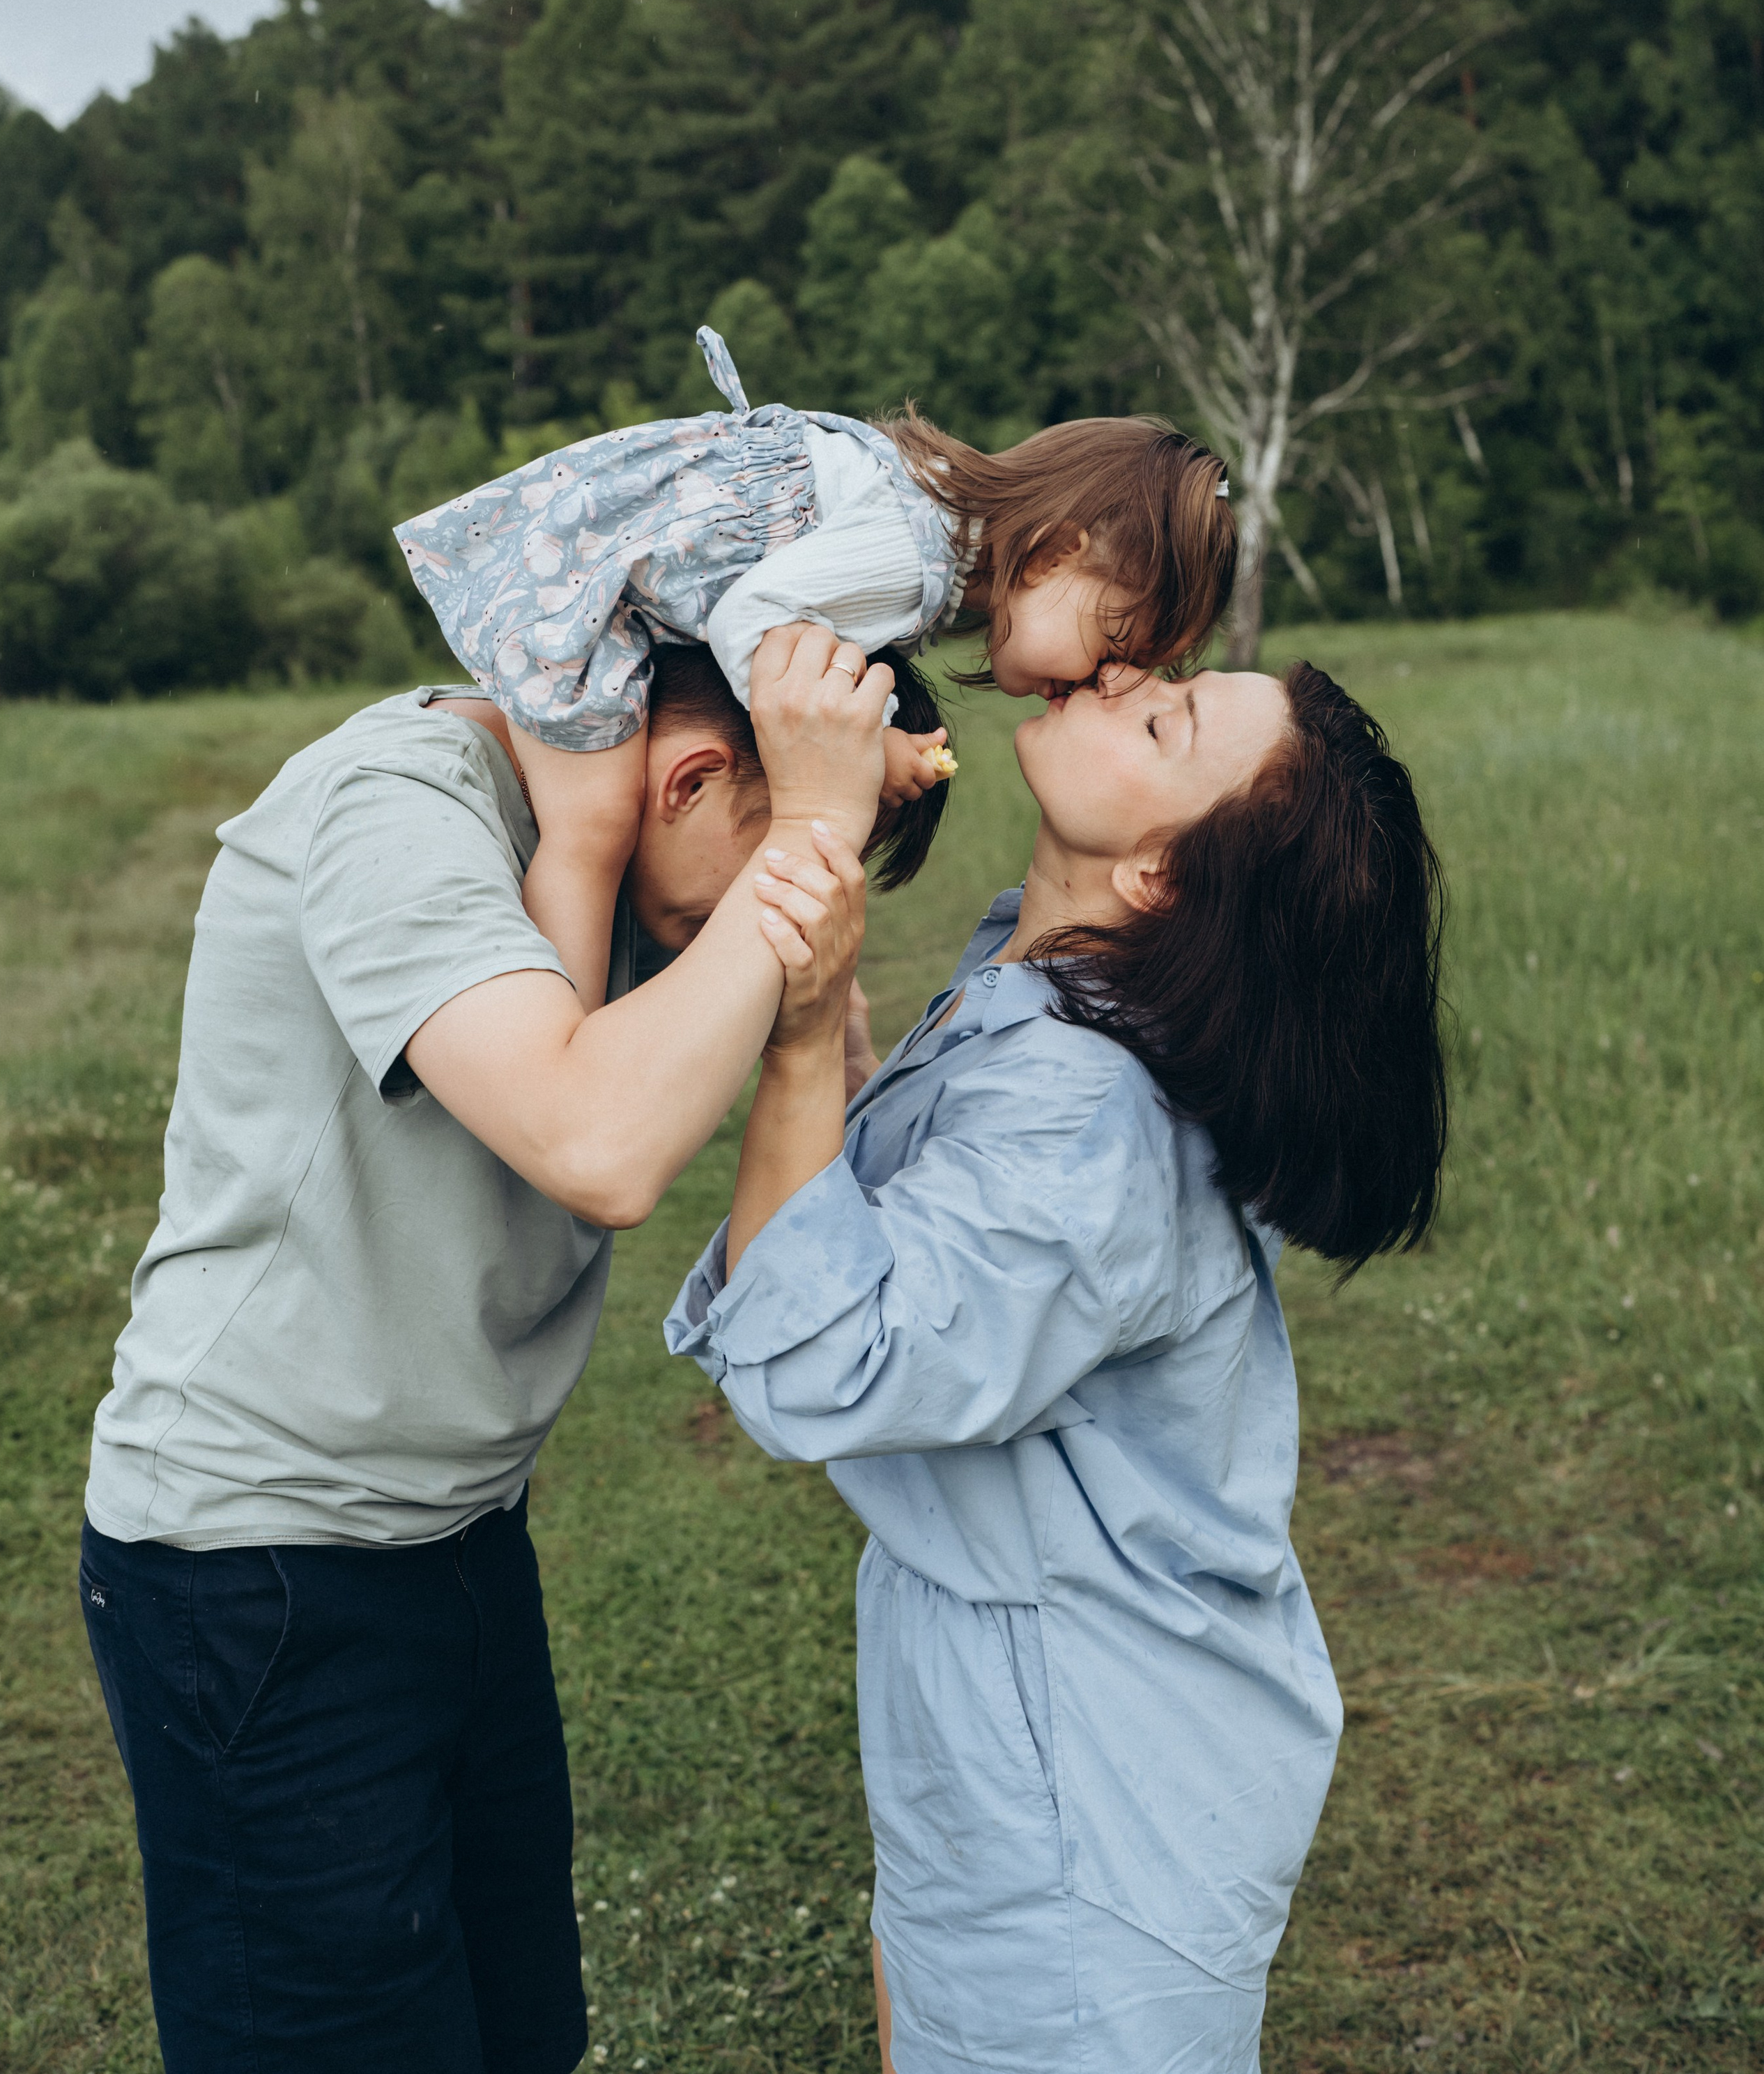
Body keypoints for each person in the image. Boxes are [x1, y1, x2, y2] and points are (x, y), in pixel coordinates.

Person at [79, 624, 896, 2074]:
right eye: (769, 862)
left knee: (518, 2033)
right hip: (259, 1564)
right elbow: (593, 1140)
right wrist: (808, 826)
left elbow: (813, 1131)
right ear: (694, 771)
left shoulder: (629, 830)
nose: (748, 939)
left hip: (455, 1533)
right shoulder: (399, 806)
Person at [668, 656, 1448, 2073]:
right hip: (1021, 1705)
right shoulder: (1036, 979)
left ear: (1154, 875)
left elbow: (824, 1362)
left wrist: (792, 1053)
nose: (1128, 676)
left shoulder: (1086, 1114)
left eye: (1164, 721)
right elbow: (916, 1235)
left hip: (1086, 1765)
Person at [394, 325, 1234, 1013]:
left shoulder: (927, 511)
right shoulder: (913, 555)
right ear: (1055, 555)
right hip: (576, 585)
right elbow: (748, 619)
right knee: (595, 826)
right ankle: (559, 1056)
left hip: (591, 569)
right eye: (1112, 647)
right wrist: (865, 744)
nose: (1098, 684)